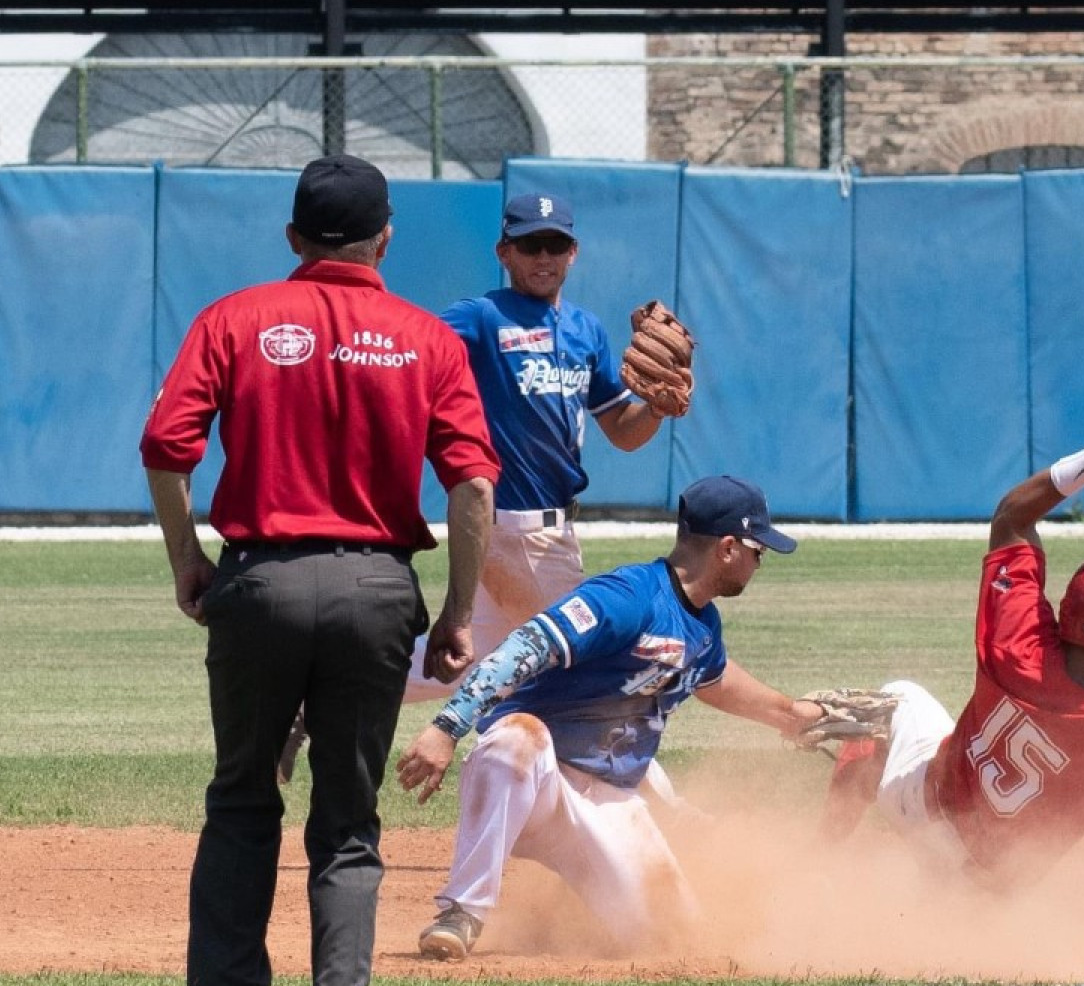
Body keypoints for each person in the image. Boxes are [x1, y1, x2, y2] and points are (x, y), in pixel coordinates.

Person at [139, 153, 500, 986]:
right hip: (376, 592)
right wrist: (456, 612)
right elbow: (474, 486)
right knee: (346, 825)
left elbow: (166, 449)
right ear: (386, 240)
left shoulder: (235, 317)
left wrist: (187, 558)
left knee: (241, 800)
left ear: (295, 236)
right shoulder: (427, 338)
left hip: (258, 585)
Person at [395, 474, 826, 961]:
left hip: (609, 801)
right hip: (537, 783)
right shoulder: (627, 596)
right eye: (757, 549)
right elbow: (524, 646)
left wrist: (791, 714)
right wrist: (447, 726)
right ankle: (462, 911)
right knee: (515, 739)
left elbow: (717, 681)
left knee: (673, 939)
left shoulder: (702, 625)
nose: (759, 560)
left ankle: (564, 917)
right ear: (728, 548)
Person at [817, 437, 1084, 936]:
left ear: (1067, 611)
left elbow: (1011, 519)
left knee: (895, 701)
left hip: (916, 804)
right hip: (979, 893)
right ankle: (947, 916)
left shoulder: (1020, 640)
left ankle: (820, 857)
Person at [401, 191, 673, 705]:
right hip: (521, 531)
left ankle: (326, 698)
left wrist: (655, 407)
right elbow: (413, 349)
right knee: (591, 670)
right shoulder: (483, 317)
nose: (543, 257)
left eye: (555, 244)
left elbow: (621, 429)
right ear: (504, 253)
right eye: (529, 245)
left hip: (531, 533)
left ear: (574, 252)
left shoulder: (585, 329)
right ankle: (644, 787)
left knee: (458, 661)